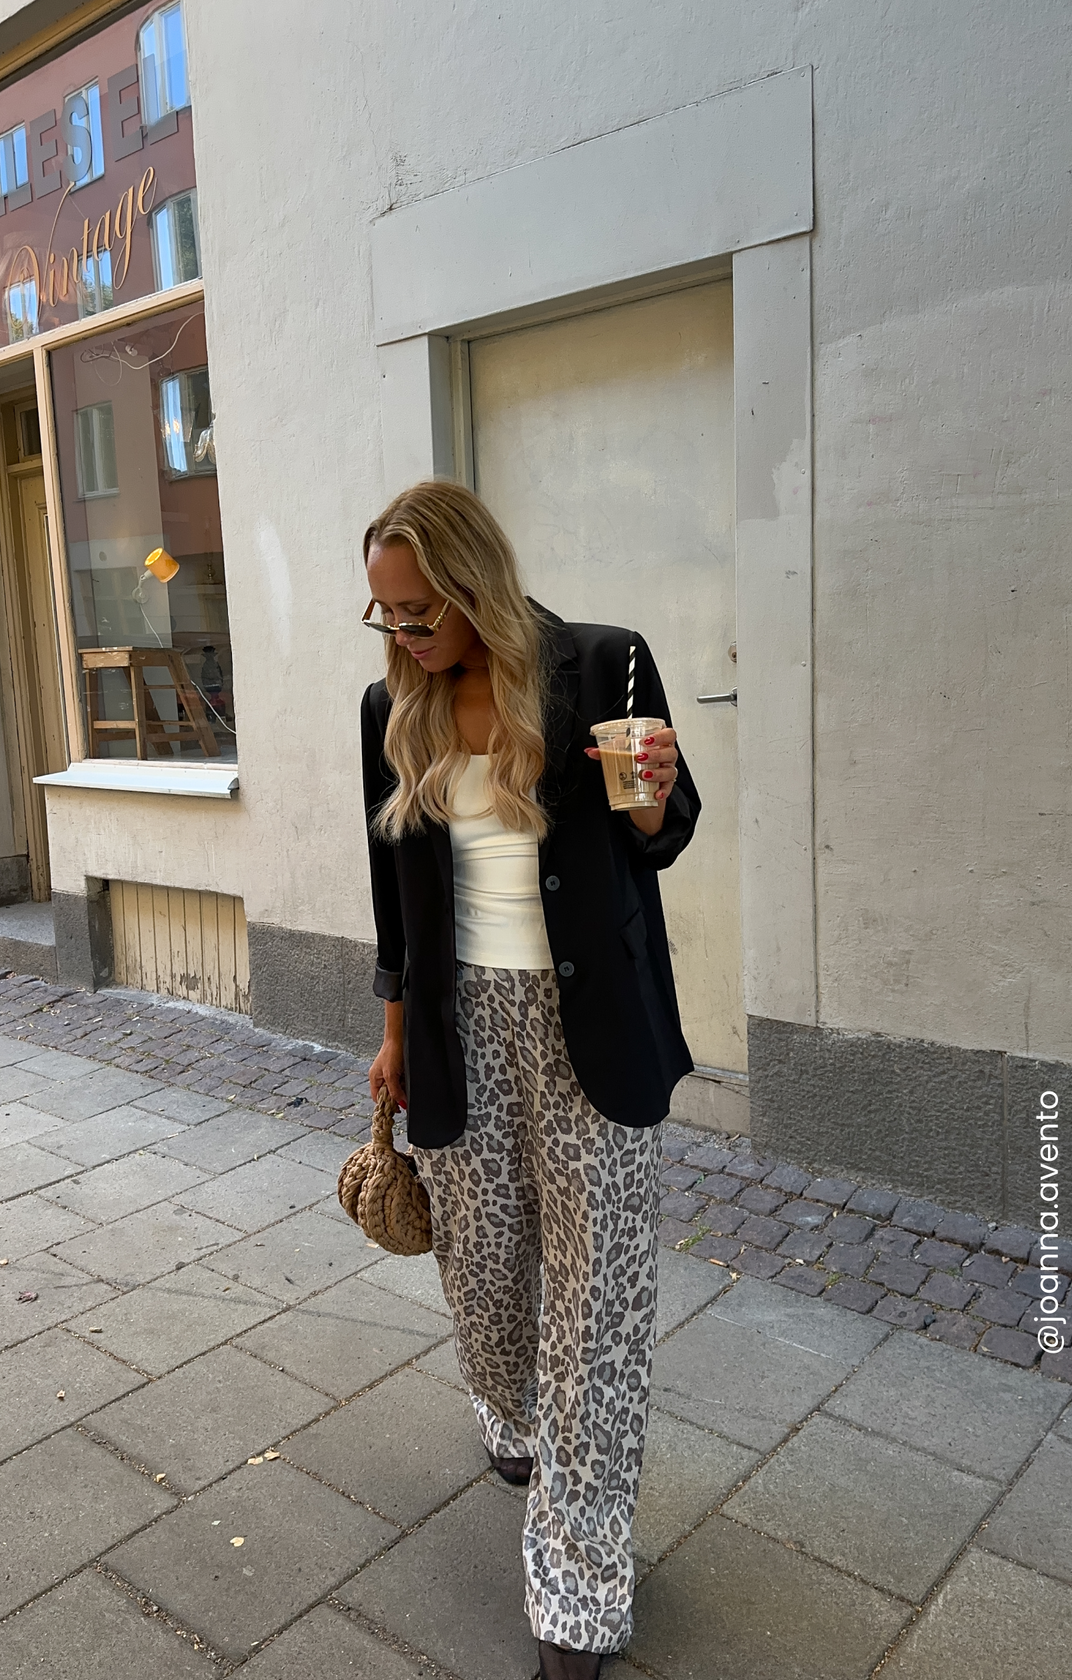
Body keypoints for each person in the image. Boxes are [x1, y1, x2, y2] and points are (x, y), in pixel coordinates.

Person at [360, 479, 700, 1679]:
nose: (403, 632)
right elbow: (393, 899)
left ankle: (578, 1585)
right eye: (385, 613)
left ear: (474, 580)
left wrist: (648, 790)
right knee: (486, 1282)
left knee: (596, 1315)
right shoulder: (389, 707)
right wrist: (394, 1036)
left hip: (589, 1028)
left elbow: (666, 833)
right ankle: (509, 1410)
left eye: (420, 609)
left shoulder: (602, 664)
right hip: (460, 1031)